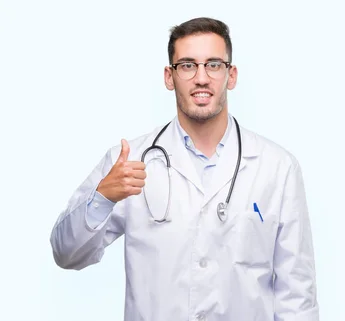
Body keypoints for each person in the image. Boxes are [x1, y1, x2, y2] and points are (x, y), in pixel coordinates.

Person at [49, 17, 319, 321]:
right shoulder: (130, 161)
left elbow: (297, 294)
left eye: (214, 65)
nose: (201, 78)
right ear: (169, 76)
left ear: (231, 75)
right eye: (188, 65)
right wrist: (102, 198)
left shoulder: (277, 168)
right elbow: (66, 254)